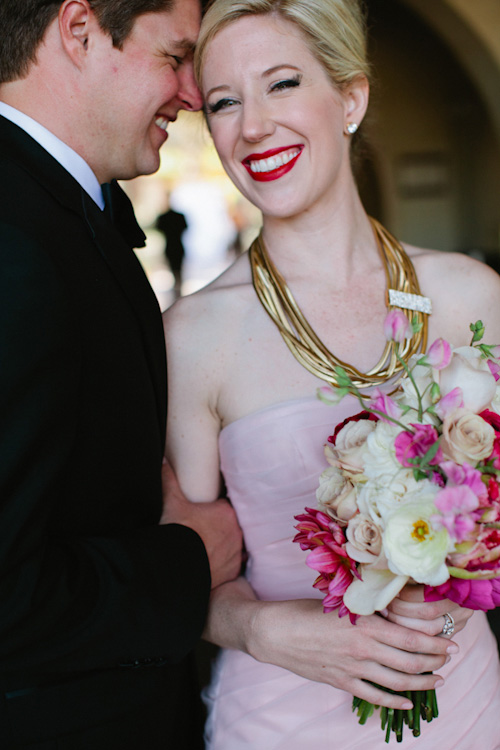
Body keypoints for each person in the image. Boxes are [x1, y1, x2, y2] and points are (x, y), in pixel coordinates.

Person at [163, 0, 500, 746]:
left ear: (351, 96)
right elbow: (182, 566)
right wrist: (258, 629)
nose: (252, 126)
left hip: (465, 704)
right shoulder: (194, 336)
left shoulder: (473, 296)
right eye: (224, 101)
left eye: (281, 84)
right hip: (283, 716)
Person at [0, 1, 242, 748]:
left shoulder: (58, 210)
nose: (195, 95)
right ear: (79, 31)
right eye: (174, 58)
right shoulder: (16, 241)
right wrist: (188, 560)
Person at [155, 197, 188, 298]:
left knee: (175, 266)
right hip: (176, 244)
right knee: (177, 266)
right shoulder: (178, 216)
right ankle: (178, 284)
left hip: (172, 244)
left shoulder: (165, 217)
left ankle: (177, 284)